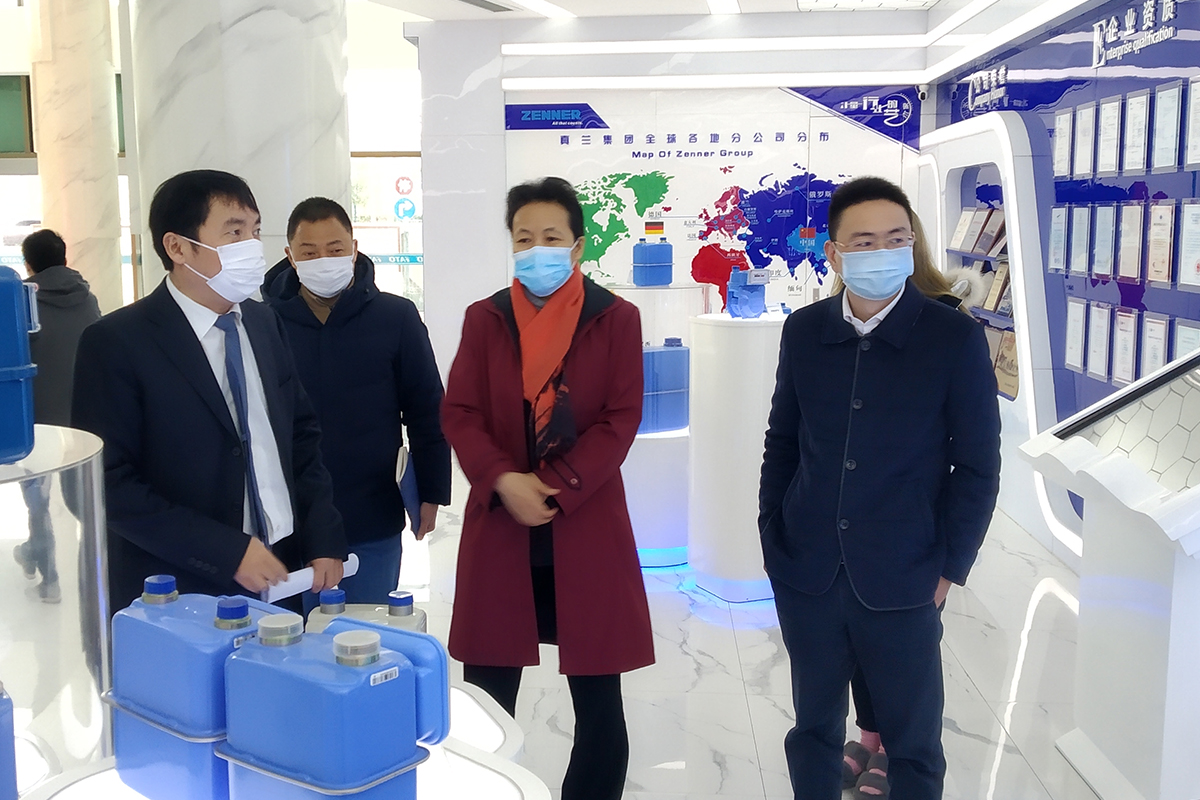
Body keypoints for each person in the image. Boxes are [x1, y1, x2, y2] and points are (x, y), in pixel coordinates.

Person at [758, 176, 1001, 800]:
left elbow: (977, 464)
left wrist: (949, 567)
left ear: (912, 243)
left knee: (914, 743)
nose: (882, 252)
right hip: (807, 566)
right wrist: (773, 534)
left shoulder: (952, 336)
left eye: (896, 238)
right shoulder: (804, 330)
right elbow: (783, 441)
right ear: (834, 254)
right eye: (863, 242)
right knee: (812, 729)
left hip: (906, 570)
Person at [442, 177, 654, 800]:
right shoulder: (487, 318)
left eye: (551, 237)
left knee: (599, 701)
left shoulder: (615, 318)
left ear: (578, 246)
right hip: (502, 526)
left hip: (584, 525)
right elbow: (460, 412)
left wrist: (555, 486)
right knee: (485, 701)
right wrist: (504, 480)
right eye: (523, 238)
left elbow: (621, 418)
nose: (537, 250)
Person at [71, 169, 347, 614]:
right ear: (178, 247)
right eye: (234, 233)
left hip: (282, 573)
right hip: (179, 588)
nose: (251, 246)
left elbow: (300, 438)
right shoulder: (117, 342)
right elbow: (107, 483)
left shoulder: (263, 322)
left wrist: (322, 537)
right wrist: (226, 551)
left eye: (254, 231)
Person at [261, 197, 451, 604]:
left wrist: (432, 491)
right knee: (286, 637)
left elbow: (427, 408)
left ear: (354, 249)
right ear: (290, 256)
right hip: (287, 521)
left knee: (364, 631)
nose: (323, 261)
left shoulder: (395, 317)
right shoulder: (263, 323)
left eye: (335, 249)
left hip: (371, 513)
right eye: (309, 252)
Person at [12, 229, 101, 604]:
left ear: (28, 264)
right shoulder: (88, 298)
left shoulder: (20, 302)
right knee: (84, 501)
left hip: (39, 420)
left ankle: (49, 578)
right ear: (64, 258)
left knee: (38, 499)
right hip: (85, 418)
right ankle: (92, 576)